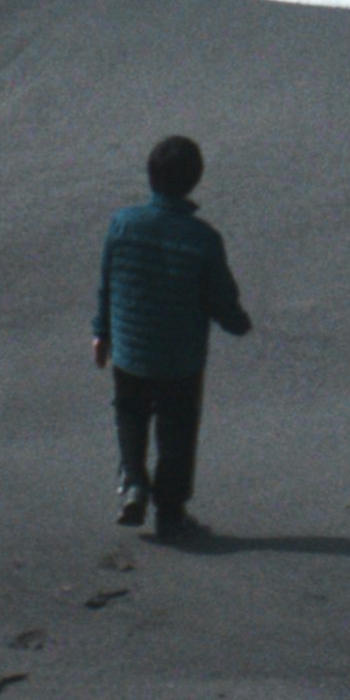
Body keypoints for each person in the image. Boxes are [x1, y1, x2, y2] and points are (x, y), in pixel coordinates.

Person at [92, 133, 251, 536]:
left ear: (150, 176)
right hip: (180, 359)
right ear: (194, 181)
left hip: (130, 350)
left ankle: (132, 483)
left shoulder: (123, 224)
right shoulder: (202, 239)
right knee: (176, 431)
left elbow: (108, 282)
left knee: (130, 415)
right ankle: (170, 511)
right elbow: (218, 297)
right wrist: (237, 322)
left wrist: (101, 332)